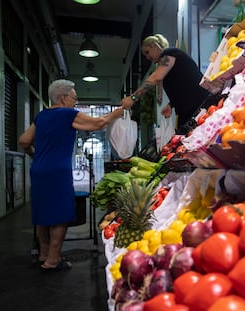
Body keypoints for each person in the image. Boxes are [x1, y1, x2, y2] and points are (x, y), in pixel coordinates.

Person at [18, 79, 124, 271]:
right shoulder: (66, 114)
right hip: (58, 172)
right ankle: (53, 260)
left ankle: (44, 254)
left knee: (43, 214)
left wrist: (36, 156)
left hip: (39, 170)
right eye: (74, 98)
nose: (76, 102)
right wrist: (116, 113)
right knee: (60, 215)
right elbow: (98, 123)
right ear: (64, 98)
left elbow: (24, 140)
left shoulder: (41, 116)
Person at [120, 34, 212, 134]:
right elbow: (182, 83)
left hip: (200, 106)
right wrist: (171, 104)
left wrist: (133, 98)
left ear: (154, 45)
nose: (147, 57)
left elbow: (156, 77)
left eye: (147, 52)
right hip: (190, 110)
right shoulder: (167, 59)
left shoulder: (170, 53)